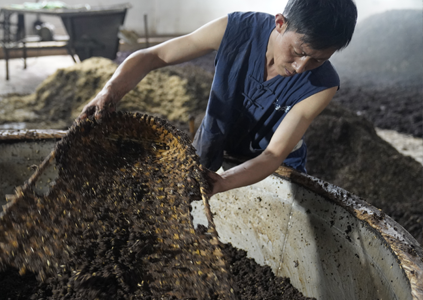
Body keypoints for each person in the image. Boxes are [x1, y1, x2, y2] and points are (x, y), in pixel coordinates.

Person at [80, 0, 357, 197]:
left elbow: (272, 154)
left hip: (276, 166)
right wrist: (110, 91)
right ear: (281, 23)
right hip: (215, 139)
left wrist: (223, 181)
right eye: (298, 52)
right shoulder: (236, 30)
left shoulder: (323, 85)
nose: (300, 67)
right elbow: (154, 56)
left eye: (318, 60)